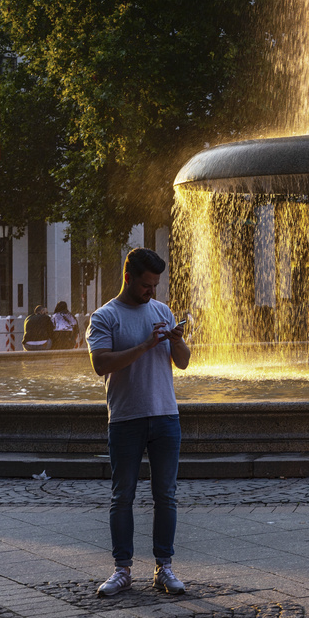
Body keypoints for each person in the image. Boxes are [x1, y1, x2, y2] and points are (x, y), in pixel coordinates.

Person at [86, 247, 190, 598]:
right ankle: (122, 569)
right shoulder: (104, 317)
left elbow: (184, 362)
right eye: (146, 285)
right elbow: (101, 364)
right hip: (126, 417)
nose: (152, 292)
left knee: (167, 496)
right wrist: (146, 345)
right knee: (122, 496)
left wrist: (177, 342)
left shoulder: (162, 310)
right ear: (128, 278)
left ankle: (165, 566)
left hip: (165, 415)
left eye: (156, 284)